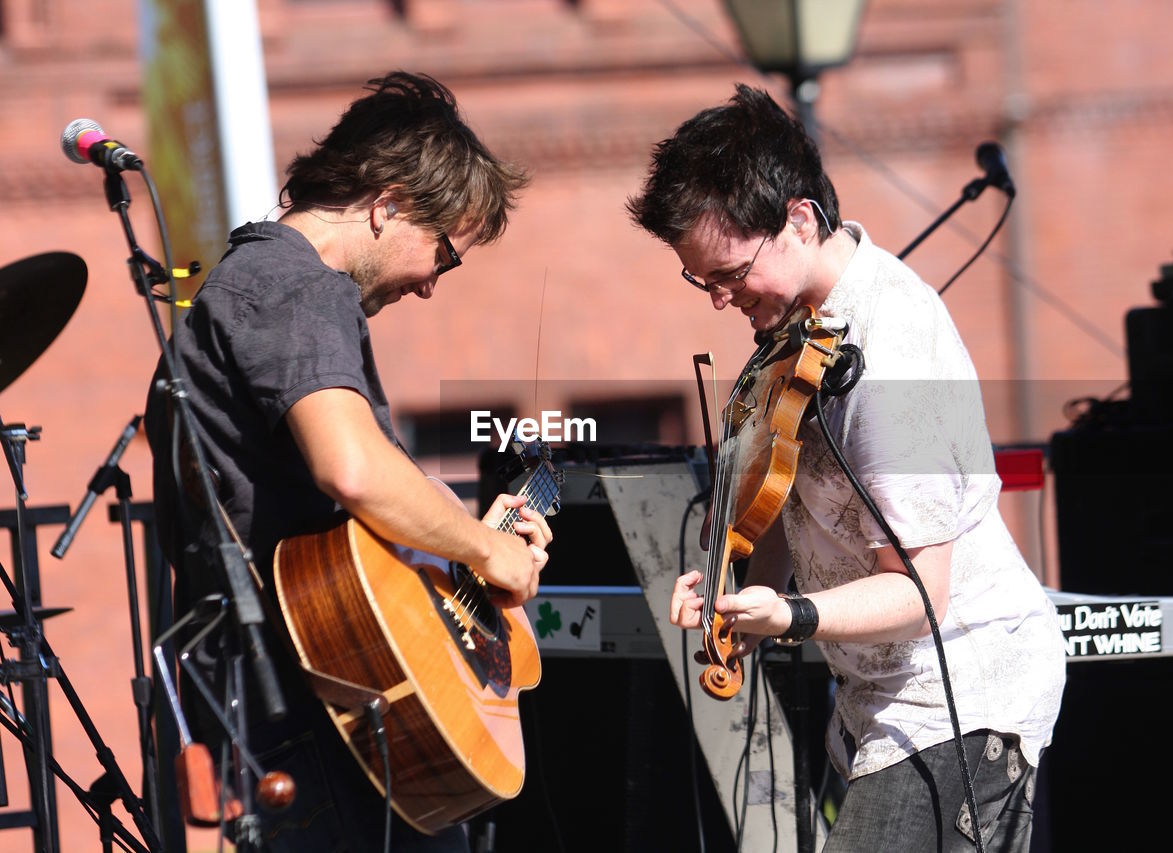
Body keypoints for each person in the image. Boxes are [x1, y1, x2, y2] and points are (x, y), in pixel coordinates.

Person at [627, 84, 1066, 852]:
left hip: (960, 693)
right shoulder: (803, 327)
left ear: (799, 219)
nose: (721, 299)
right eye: (704, 282)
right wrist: (734, 583)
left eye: (730, 273)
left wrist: (789, 615)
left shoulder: (890, 347)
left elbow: (918, 591)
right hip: (877, 700)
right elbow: (785, 504)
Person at [144, 72, 551, 853]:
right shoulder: (299, 286)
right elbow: (352, 469)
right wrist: (485, 546)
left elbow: (339, 516)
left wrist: (452, 542)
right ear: (388, 202)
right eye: (445, 254)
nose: (434, 284)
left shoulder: (247, 288)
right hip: (318, 713)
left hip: (293, 703)